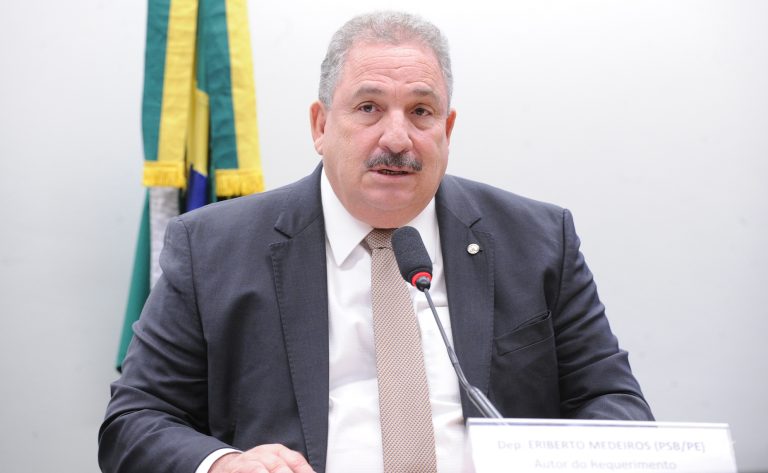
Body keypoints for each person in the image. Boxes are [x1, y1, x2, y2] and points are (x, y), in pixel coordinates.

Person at [99, 11, 653, 473]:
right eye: (368, 108)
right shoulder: (213, 247)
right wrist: (223, 464)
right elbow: (134, 420)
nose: (397, 138)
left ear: (447, 130)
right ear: (320, 125)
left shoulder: (537, 240)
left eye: (420, 112)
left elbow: (614, 402)